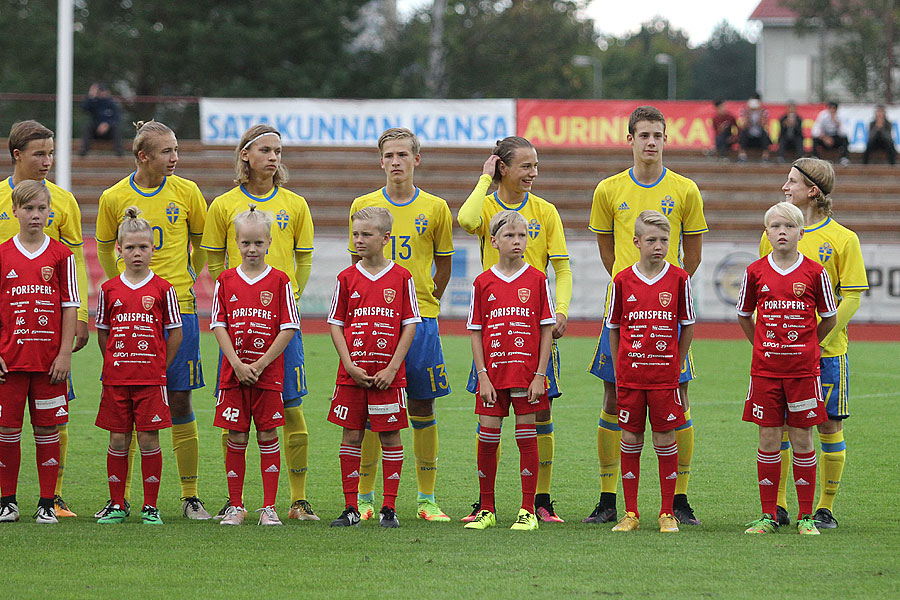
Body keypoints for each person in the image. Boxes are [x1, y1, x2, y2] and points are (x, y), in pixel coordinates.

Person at [586, 105, 707, 526]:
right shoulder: (608, 189)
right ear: (630, 139)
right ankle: (608, 498)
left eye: (658, 135)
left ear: (666, 139)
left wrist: (664, 291)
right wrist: (636, 286)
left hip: (665, 316)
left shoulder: (685, 190)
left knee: (679, 398)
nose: (651, 142)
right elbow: (606, 249)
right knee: (613, 397)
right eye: (644, 135)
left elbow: (692, 253)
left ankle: (680, 500)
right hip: (624, 312)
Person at [200, 124, 317, 521]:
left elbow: (303, 257)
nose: (273, 157)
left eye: (278, 151)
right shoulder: (223, 205)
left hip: (281, 323)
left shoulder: (295, 204)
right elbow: (215, 259)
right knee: (233, 413)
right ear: (245, 155)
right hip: (239, 325)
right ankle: (236, 500)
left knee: (291, 405)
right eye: (265, 150)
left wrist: (292, 295)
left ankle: (296, 500)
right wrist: (233, 293)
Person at [95, 120, 210, 519]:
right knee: (125, 409)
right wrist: (123, 287)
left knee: (179, 397)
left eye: (176, 149)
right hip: (131, 315)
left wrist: (189, 276)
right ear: (143, 156)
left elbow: (202, 243)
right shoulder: (114, 196)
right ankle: (120, 500)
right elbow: (105, 246)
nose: (175, 157)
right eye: (167, 151)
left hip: (180, 307)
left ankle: (190, 495)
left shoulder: (189, 192)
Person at [457, 136, 571, 524]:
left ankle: (540, 500)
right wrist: (483, 180)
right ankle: (484, 502)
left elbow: (563, 267)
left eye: (536, 165)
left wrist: (561, 310)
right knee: (488, 418)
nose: (533, 173)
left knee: (540, 417)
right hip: (494, 335)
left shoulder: (545, 211)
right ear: (502, 167)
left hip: (533, 328)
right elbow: (467, 220)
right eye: (526, 166)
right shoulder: (486, 206)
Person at [348, 128, 453, 522]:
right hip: (373, 323)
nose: (396, 161)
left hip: (421, 320)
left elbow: (442, 263)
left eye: (403, 155)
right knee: (374, 406)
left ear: (416, 159)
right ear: (381, 161)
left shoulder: (436, 207)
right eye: (389, 155)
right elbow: (354, 265)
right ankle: (366, 497)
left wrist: (428, 299)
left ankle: (426, 499)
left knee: (423, 406)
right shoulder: (364, 205)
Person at [761, 158, 868, 529]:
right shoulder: (772, 232)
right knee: (783, 427)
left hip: (827, 355)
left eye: (792, 181)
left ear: (813, 191)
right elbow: (764, 288)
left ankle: (825, 507)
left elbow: (851, 296)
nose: (784, 187)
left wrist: (820, 336)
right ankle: (778, 505)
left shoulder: (843, 239)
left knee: (828, 427)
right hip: (783, 356)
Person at [1, 120, 90, 518]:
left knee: (52, 420)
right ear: (17, 155)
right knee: (8, 427)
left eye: (51, 153)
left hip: (49, 343)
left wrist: (82, 317)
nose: (48, 161)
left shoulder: (64, 203)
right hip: (9, 342)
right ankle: (8, 499)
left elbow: (74, 275)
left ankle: (50, 498)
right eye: (40, 154)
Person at [738, 201, 837, 535]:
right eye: (775, 226)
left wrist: (809, 345)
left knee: (802, 439)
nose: (782, 232)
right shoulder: (755, 271)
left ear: (800, 232)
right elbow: (743, 315)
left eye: (789, 226)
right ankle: (768, 515)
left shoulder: (814, 272)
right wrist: (761, 345)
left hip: (803, 373)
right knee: (768, 437)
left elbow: (829, 317)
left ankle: (806, 517)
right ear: (766, 232)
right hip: (765, 371)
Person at [326, 207, 420, 528]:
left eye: (366, 234)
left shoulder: (402, 277)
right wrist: (349, 365)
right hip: (353, 375)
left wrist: (393, 367)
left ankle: (388, 508)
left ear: (385, 238)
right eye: (355, 234)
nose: (359, 240)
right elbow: (336, 324)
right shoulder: (346, 278)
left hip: (388, 376)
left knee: (390, 437)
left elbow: (409, 325)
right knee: (351, 435)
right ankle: (351, 507)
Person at [464, 210, 555, 532]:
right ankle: (486, 508)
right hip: (493, 373)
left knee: (526, 437)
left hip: (526, 371)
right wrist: (483, 374)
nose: (517, 241)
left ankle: (527, 510)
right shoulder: (482, 282)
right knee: (487, 436)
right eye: (509, 236)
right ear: (494, 241)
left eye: (522, 235)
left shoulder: (537, 279)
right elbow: (476, 330)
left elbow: (546, 329)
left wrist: (540, 374)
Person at [605, 210, 695, 534]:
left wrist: (677, 363)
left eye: (664, 240)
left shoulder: (680, 279)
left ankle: (667, 512)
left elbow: (687, 326)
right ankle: (630, 512)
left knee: (665, 438)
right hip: (630, 375)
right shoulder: (622, 280)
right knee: (630, 438)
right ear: (637, 242)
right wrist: (619, 367)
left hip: (664, 377)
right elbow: (614, 328)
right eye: (652, 240)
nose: (659, 246)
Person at [211, 206, 301, 526]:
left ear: (269, 242)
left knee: (267, 435)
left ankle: (269, 507)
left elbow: (288, 326)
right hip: (233, 375)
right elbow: (219, 324)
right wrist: (236, 363)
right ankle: (236, 505)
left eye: (258, 243)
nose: (252, 249)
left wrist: (260, 364)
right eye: (246, 243)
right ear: (236, 242)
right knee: (236, 437)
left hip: (267, 375)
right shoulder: (225, 280)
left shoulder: (280, 281)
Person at [94, 207, 182, 525]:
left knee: (148, 440)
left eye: (143, 247)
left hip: (150, 379)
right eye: (130, 247)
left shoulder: (163, 289)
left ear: (153, 249)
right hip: (117, 378)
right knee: (118, 439)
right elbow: (103, 332)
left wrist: (160, 366)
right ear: (119, 249)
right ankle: (118, 504)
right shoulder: (109, 290)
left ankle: (150, 506)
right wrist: (113, 361)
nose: (136, 253)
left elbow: (176, 332)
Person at [80, 83, 123, 156]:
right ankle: (84, 150)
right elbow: (84, 108)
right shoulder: (94, 103)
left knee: (116, 129)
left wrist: (107, 124)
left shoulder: (112, 104)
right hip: (96, 131)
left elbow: (117, 117)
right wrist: (91, 95)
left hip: (109, 132)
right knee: (88, 127)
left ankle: (119, 151)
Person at [738, 93, 772, 163]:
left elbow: (762, 125)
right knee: (743, 132)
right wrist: (748, 113)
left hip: (759, 138)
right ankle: (742, 155)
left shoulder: (764, 111)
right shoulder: (744, 110)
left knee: (764, 133)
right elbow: (745, 125)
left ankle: (765, 156)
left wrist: (759, 112)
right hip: (749, 138)